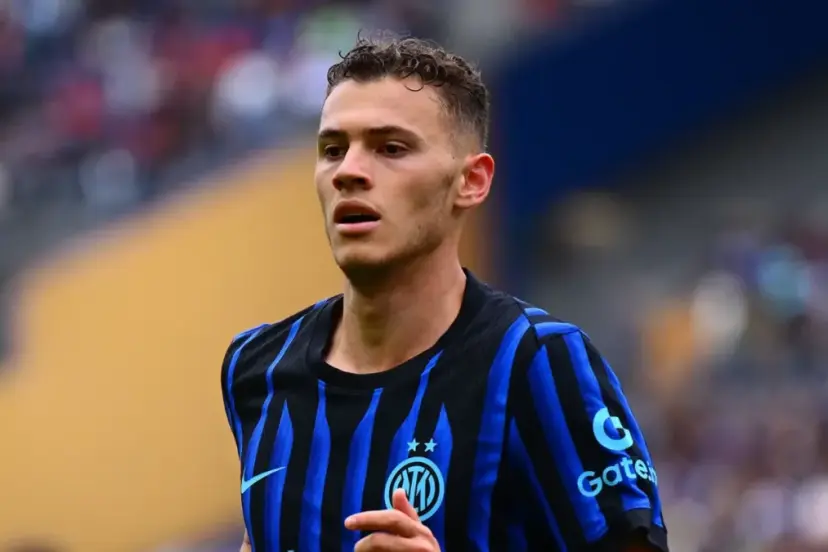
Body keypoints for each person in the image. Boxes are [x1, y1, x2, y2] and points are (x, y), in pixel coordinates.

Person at [222, 35, 668, 552]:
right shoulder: (256, 366)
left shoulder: (536, 361)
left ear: (471, 181)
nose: (348, 172)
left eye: (391, 148)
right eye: (333, 150)